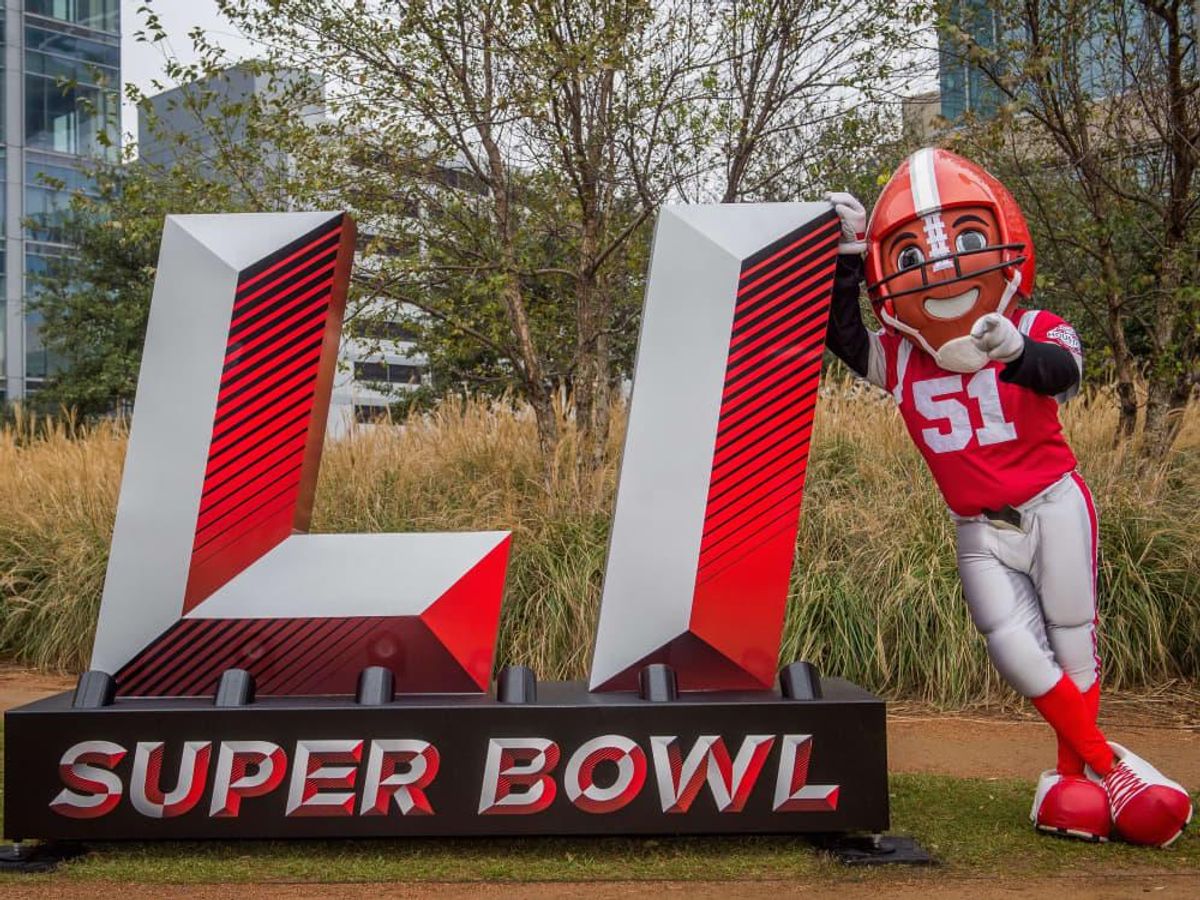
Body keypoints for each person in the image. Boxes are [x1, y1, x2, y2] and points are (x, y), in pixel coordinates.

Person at [823, 147, 1192, 846]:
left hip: (1053, 504)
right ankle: (1111, 768)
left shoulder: (1037, 324)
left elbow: (1059, 373)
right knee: (1016, 653)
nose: (941, 270)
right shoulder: (902, 355)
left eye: (965, 243)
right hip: (978, 526)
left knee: (1073, 647)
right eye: (911, 257)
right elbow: (845, 337)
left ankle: (1074, 785)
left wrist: (1014, 349)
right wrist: (847, 255)